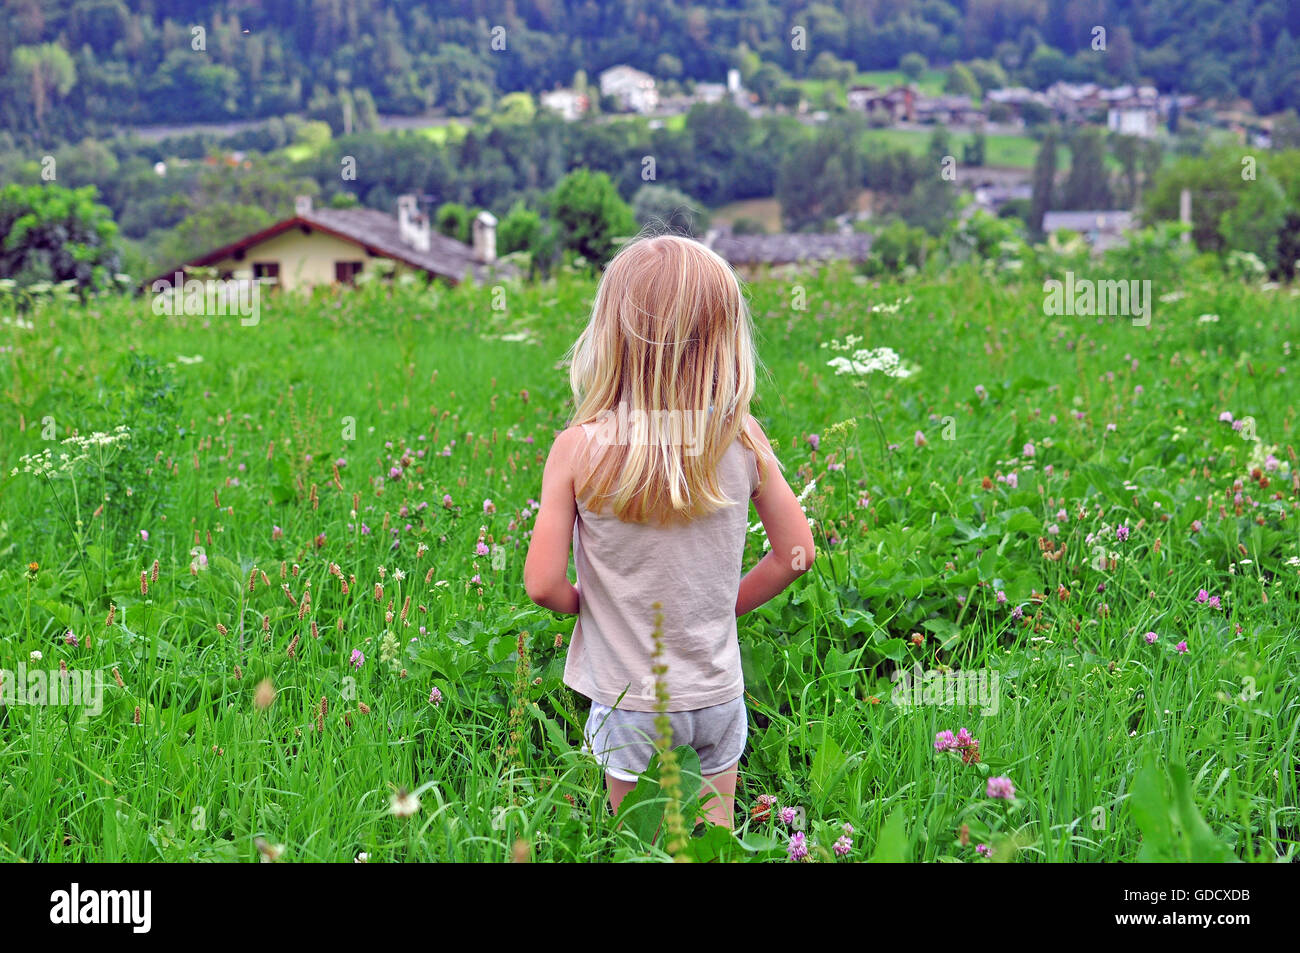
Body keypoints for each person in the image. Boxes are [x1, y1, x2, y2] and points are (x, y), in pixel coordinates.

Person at [524, 233, 815, 830]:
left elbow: (542, 585)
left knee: (642, 842)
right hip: (714, 694)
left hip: (627, 699)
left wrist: (590, 606)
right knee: (714, 839)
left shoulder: (577, 449)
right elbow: (795, 555)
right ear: (723, 343)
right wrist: (720, 605)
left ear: (610, 336)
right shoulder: (742, 440)